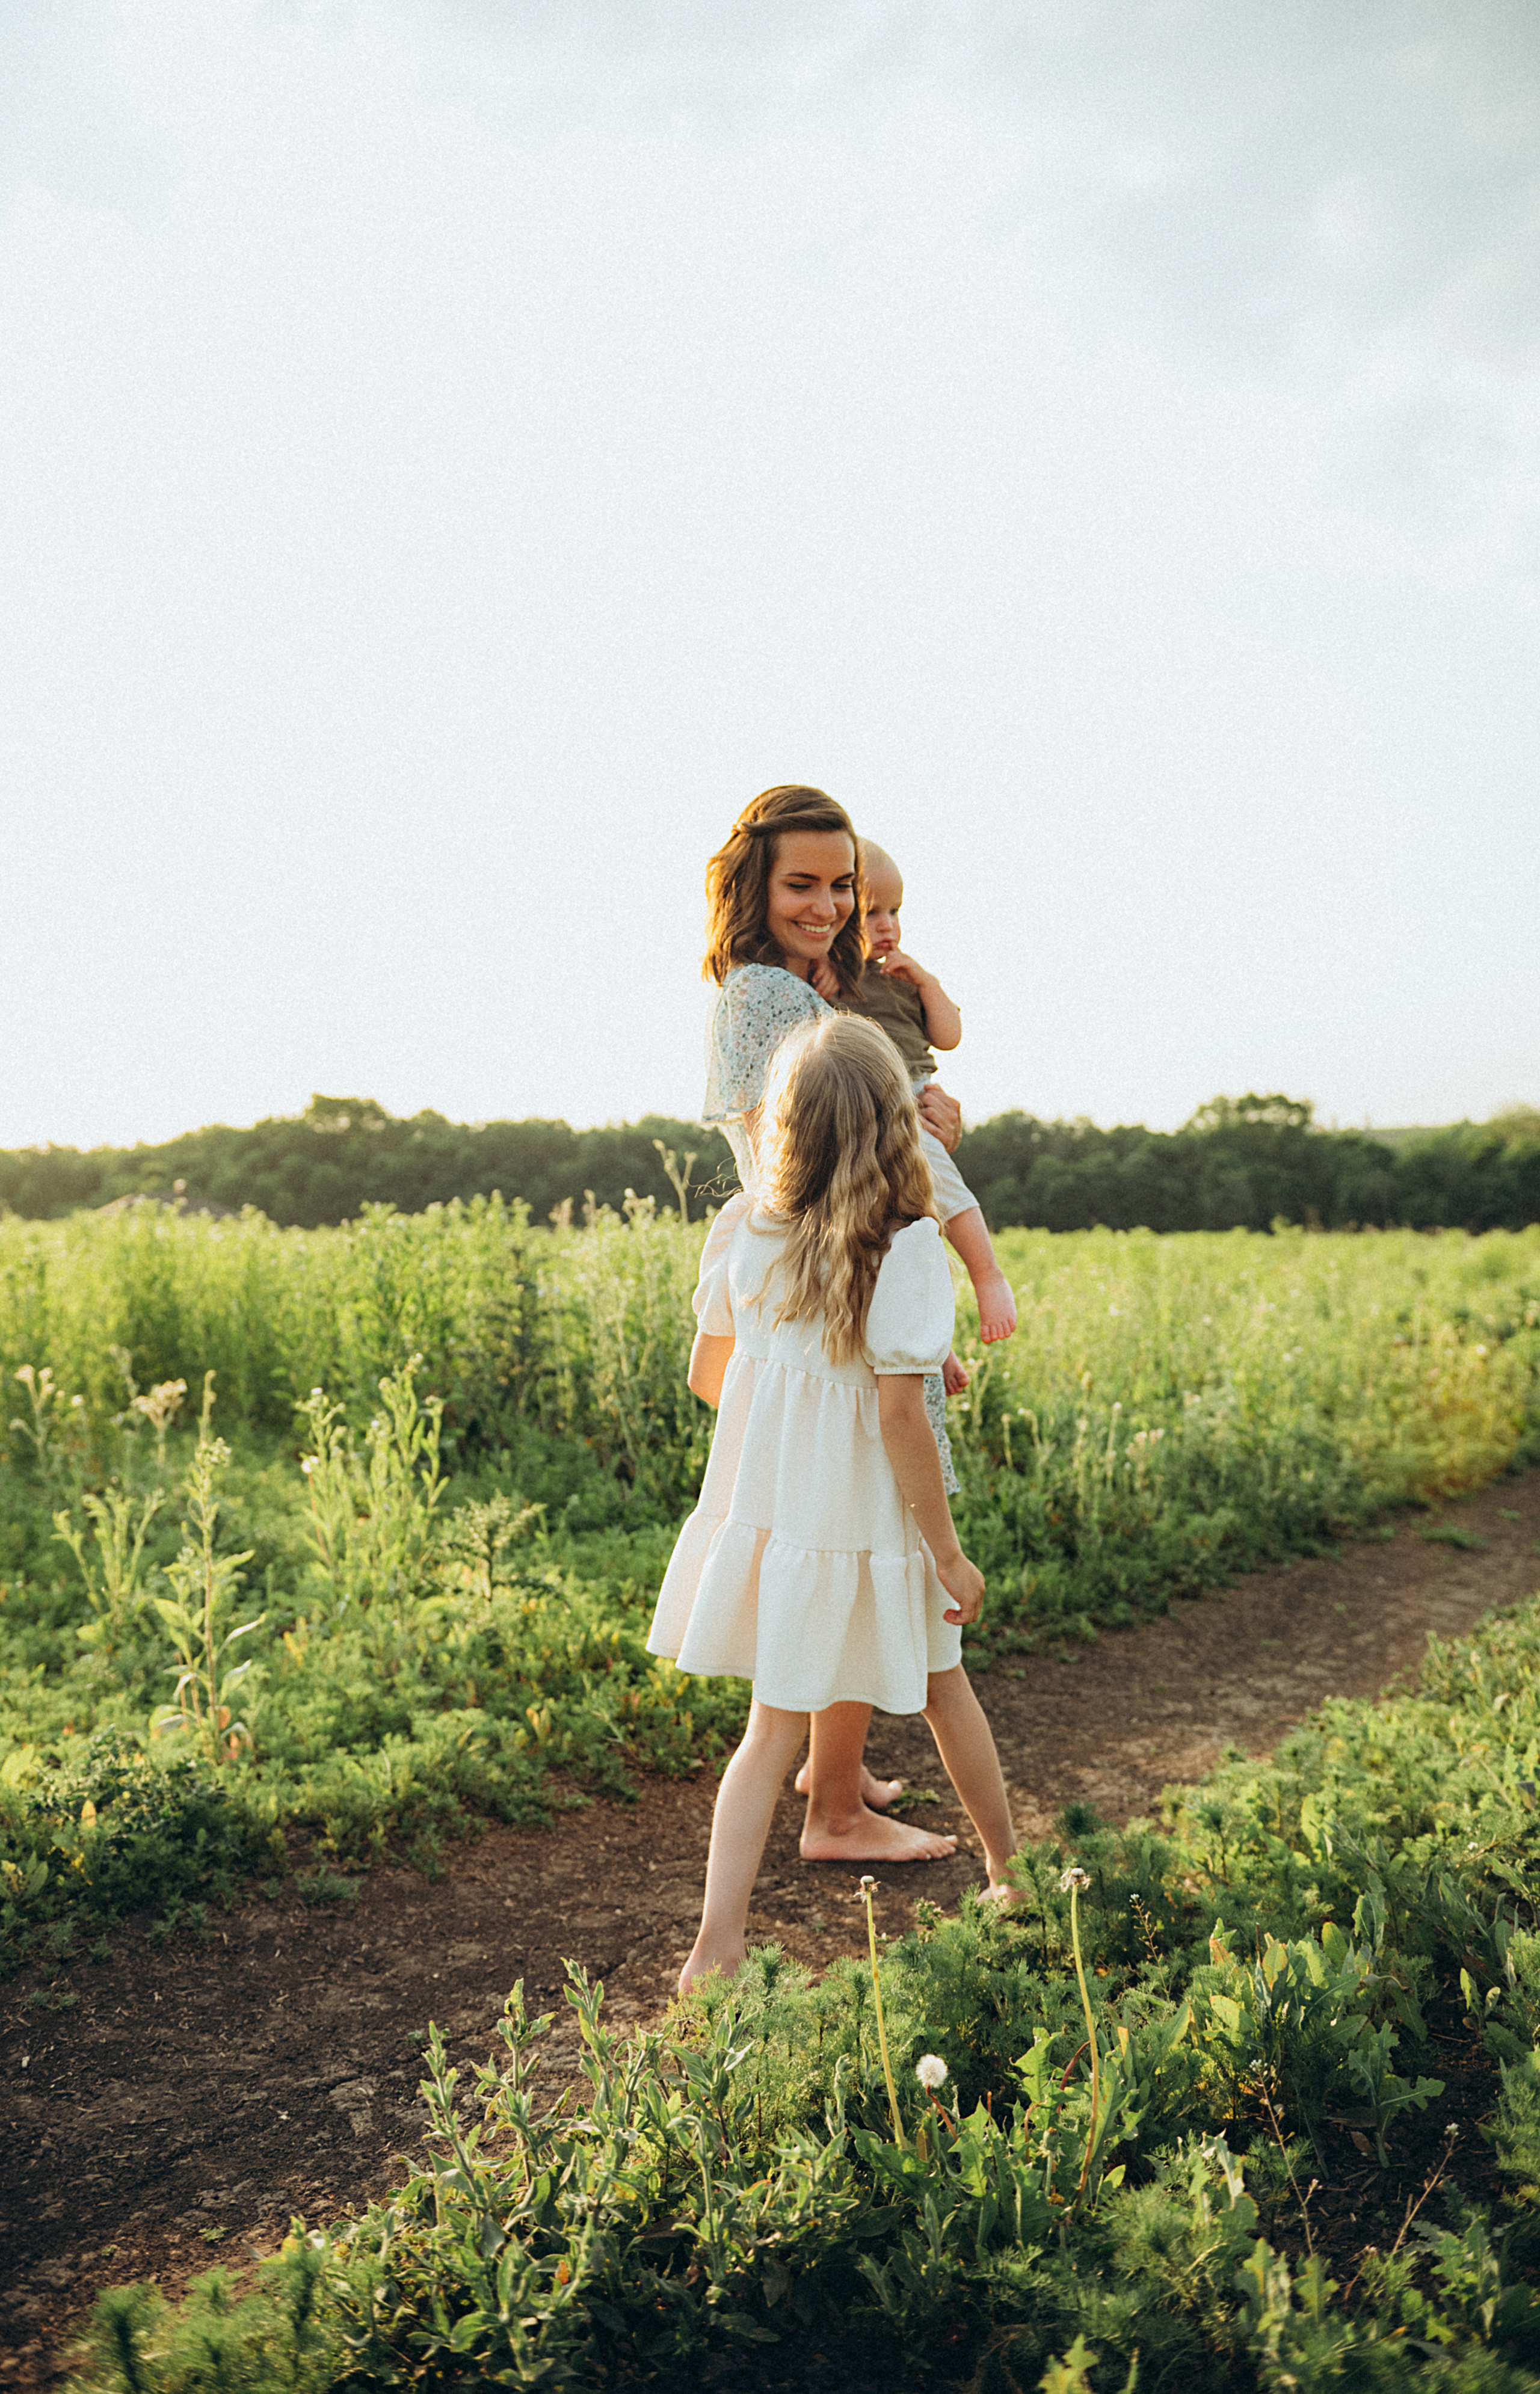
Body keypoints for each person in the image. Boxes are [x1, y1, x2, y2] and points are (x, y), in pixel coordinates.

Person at [648, 1014, 1018, 1993]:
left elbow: (707, 1378)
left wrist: (792, 1415)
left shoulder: (743, 1230)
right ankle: (1011, 1875)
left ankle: (713, 1949)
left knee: (770, 1730)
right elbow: (902, 1422)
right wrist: (946, 1552)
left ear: (784, 1127)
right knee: (945, 1687)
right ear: (897, 1127)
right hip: (873, 1521)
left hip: (783, 1516)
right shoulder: (904, 1253)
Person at [700, 784, 969, 1861]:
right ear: (757, 889)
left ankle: (837, 1773)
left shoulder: (827, 982)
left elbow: (888, 1109)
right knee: (855, 1523)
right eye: (802, 884)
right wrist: (916, 1135)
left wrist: (931, 1117)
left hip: (848, 1268)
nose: (827, 904)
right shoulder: (764, 996)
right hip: (833, 1282)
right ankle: (835, 1811)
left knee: (848, 1518)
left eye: (841, 883)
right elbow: (798, 1158)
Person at [813, 838, 1017, 1348]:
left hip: (913, 1095)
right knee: (905, 1225)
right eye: (872, 912)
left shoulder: (903, 978)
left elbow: (948, 1035)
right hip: (864, 1097)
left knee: (939, 1194)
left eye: (895, 911)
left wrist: (927, 982)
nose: (887, 925)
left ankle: (987, 1276)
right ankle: (936, 1338)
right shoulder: (830, 980)